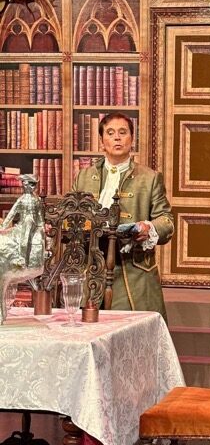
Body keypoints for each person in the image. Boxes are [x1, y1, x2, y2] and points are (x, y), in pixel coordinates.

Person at [73, 112, 174, 320]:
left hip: (132, 273)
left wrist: (149, 228)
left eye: (123, 132)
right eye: (110, 133)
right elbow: (72, 216)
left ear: (132, 139)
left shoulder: (149, 178)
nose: (117, 138)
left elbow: (166, 220)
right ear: (102, 141)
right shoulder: (84, 176)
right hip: (91, 272)